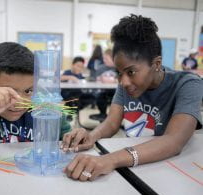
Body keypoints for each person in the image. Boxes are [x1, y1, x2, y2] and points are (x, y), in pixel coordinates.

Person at [61, 14, 203, 181]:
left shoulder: (188, 84)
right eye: (119, 73)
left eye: (131, 72)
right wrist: (91, 136)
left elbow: (174, 141)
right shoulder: (126, 84)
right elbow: (112, 122)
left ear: (156, 64)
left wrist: (110, 159)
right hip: (136, 168)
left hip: (175, 170)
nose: (124, 82)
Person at [89, 49, 117, 122]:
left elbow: (120, 80)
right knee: (100, 96)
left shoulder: (119, 68)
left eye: (106, 58)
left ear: (113, 58)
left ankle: (116, 117)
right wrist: (112, 80)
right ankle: (102, 114)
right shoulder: (101, 67)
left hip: (116, 91)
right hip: (103, 90)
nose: (104, 60)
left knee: (118, 99)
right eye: (103, 58)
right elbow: (98, 80)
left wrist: (112, 80)